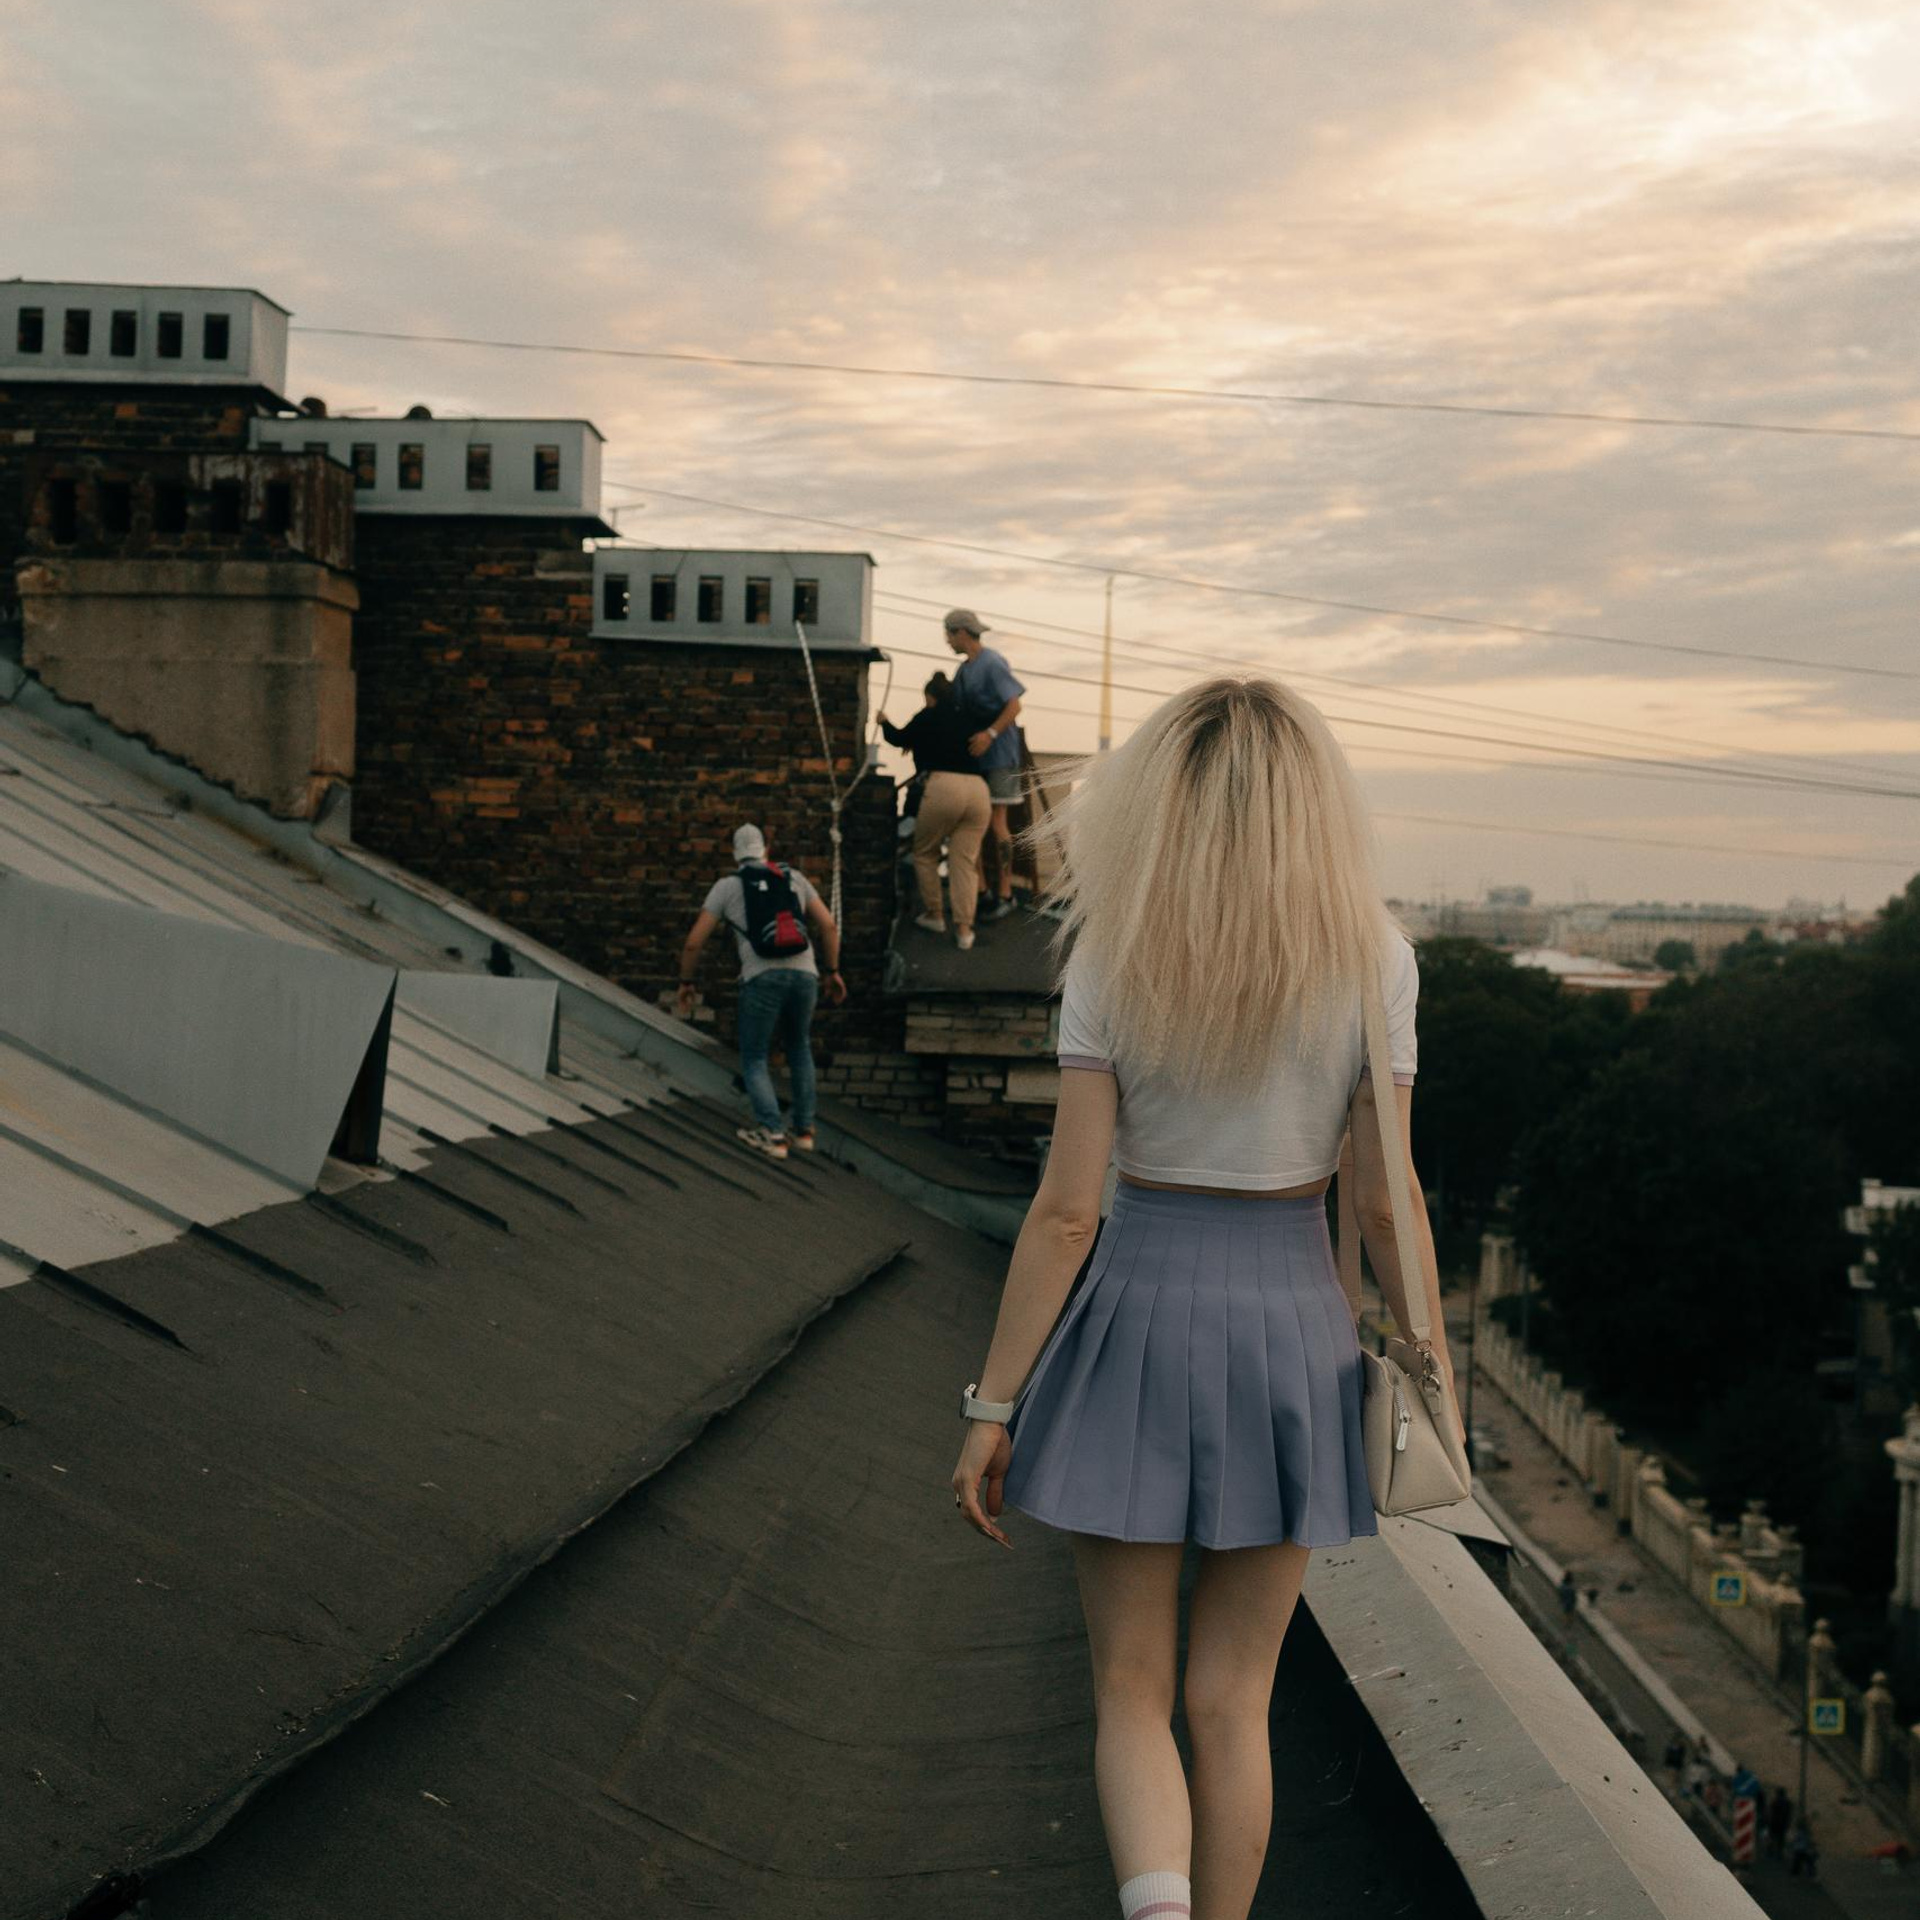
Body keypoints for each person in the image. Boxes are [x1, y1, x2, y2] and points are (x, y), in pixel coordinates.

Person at [949, 675, 1458, 1920]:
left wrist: (991, 1403)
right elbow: (1385, 1201)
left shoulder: (1115, 953)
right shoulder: (1372, 960)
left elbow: (1069, 1211)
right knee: (1234, 1702)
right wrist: (1437, 1375)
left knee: (1131, 1688)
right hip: (1293, 1334)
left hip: (1132, 1320)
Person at [675, 823, 846, 1159]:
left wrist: (686, 982)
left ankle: (772, 1133)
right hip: (806, 975)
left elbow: (694, 942)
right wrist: (833, 971)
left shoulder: (727, 887)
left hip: (762, 976)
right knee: (800, 1047)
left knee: (754, 1057)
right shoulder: (793, 878)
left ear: (734, 852)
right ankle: (804, 1131)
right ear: (766, 848)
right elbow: (827, 926)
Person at [881, 674, 993, 950]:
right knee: (964, 861)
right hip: (979, 790)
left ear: (931, 696)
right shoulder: (968, 716)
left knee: (925, 852)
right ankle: (965, 931)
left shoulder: (928, 715)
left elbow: (899, 738)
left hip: (944, 786)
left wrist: (883, 722)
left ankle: (935, 914)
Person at [943, 608, 1026, 922]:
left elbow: (1014, 704)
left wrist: (991, 734)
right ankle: (982, 889)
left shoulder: (991, 662)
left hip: (1000, 754)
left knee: (997, 821)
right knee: (973, 822)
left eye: (949, 633)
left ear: (962, 632)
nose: (947, 640)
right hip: (976, 756)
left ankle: (1005, 892)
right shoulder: (965, 671)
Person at [1765, 1784, 1792, 1859]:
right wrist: (1788, 1823)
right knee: (1781, 1839)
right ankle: (1779, 1853)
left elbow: (1770, 1812)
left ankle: (1770, 1851)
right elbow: (1789, 1814)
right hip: (1783, 1823)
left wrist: (1768, 1821)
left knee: (1771, 1837)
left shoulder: (1775, 1801)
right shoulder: (1788, 1802)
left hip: (1774, 1822)